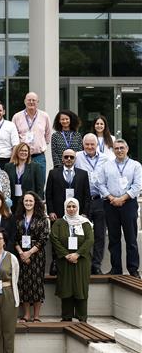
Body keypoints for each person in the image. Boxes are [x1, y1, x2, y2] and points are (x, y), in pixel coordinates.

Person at [95, 139, 141, 277]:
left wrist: (123, 198)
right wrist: (111, 197)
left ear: (127, 149)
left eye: (122, 148)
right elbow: (100, 184)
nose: (119, 150)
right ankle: (116, 269)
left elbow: (138, 185)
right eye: (116, 148)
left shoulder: (135, 166)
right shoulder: (106, 166)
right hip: (110, 204)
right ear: (113, 150)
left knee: (131, 238)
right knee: (114, 239)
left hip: (129, 204)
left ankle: (133, 270)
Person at [50, 199, 95, 321]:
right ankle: (66, 317)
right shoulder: (59, 223)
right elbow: (54, 239)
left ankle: (82, 317)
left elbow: (90, 240)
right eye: (68, 206)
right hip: (64, 261)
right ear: (65, 208)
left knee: (81, 287)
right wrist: (66, 255)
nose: (71, 209)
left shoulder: (85, 223)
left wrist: (77, 254)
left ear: (78, 208)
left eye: (73, 206)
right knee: (66, 288)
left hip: (81, 261)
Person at [75, 134, 110, 274]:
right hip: (83, 201)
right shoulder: (77, 157)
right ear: (83, 145)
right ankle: (84, 263)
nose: (89, 147)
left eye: (92, 144)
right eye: (87, 144)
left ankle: (96, 265)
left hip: (100, 200)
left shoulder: (105, 159)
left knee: (100, 234)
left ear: (97, 145)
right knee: (80, 234)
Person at [14, 192, 49, 323]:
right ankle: (26, 315)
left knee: (37, 284)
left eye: (31, 201)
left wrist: (30, 253)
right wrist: (21, 253)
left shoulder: (42, 218)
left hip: (37, 255)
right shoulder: (17, 218)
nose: (28, 203)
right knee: (23, 283)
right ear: (22, 202)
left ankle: (36, 316)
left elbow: (44, 238)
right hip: (21, 254)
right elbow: (14, 238)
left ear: (35, 202)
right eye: (26, 201)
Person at [11, 92, 52, 175]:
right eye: (29, 100)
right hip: (22, 157)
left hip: (39, 156)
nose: (31, 102)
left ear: (38, 102)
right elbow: (13, 136)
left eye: (34, 100)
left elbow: (48, 135)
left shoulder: (45, 116)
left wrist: (40, 144)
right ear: (25, 101)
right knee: (23, 183)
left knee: (40, 183)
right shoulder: (17, 117)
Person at [4, 142, 45, 209]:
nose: (23, 152)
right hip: (13, 202)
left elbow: (40, 187)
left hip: (29, 202)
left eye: (25, 151)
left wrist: (38, 202)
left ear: (28, 153)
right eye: (21, 150)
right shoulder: (8, 167)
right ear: (17, 152)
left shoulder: (35, 167)